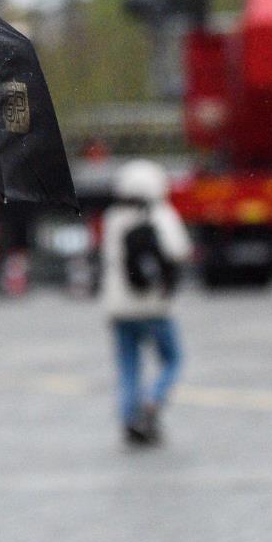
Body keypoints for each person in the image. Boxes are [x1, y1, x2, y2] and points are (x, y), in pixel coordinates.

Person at [100, 159, 192, 447]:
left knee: (129, 367)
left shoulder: (112, 218)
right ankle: (153, 403)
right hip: (155, 305)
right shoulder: (161, 215)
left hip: (119, 306)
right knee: (173, 359)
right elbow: (180, 251)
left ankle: (130, 419)